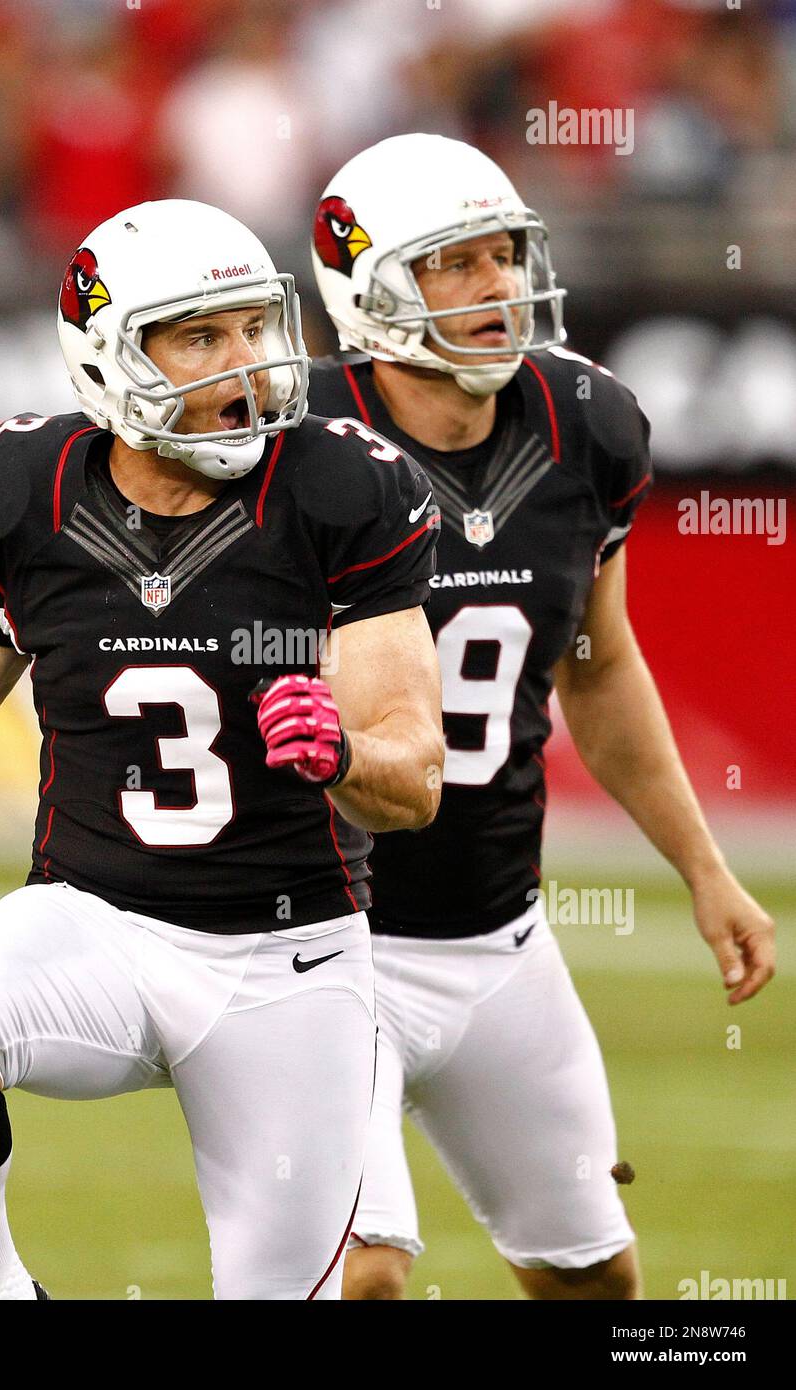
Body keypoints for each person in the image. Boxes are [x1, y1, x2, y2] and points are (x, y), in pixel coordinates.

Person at [0, 199, 444, 1301]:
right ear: (110, 356)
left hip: (283, 957)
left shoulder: (341, 492)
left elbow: (414, 778)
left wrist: (342, 755)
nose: (246, 362)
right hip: (91, 920)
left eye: (254, 325)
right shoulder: (19, 497)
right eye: (201, 334)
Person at [307, 134, 776, 1301]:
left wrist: (704, 869)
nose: (494, 286)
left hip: (494, 931)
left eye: (503, 254)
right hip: (312, 938)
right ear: (368, 290)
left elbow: (599, 668)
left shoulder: (587, 423)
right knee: (362, 1274)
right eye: (452, 264)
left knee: (594, 1287)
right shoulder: (292, 447)